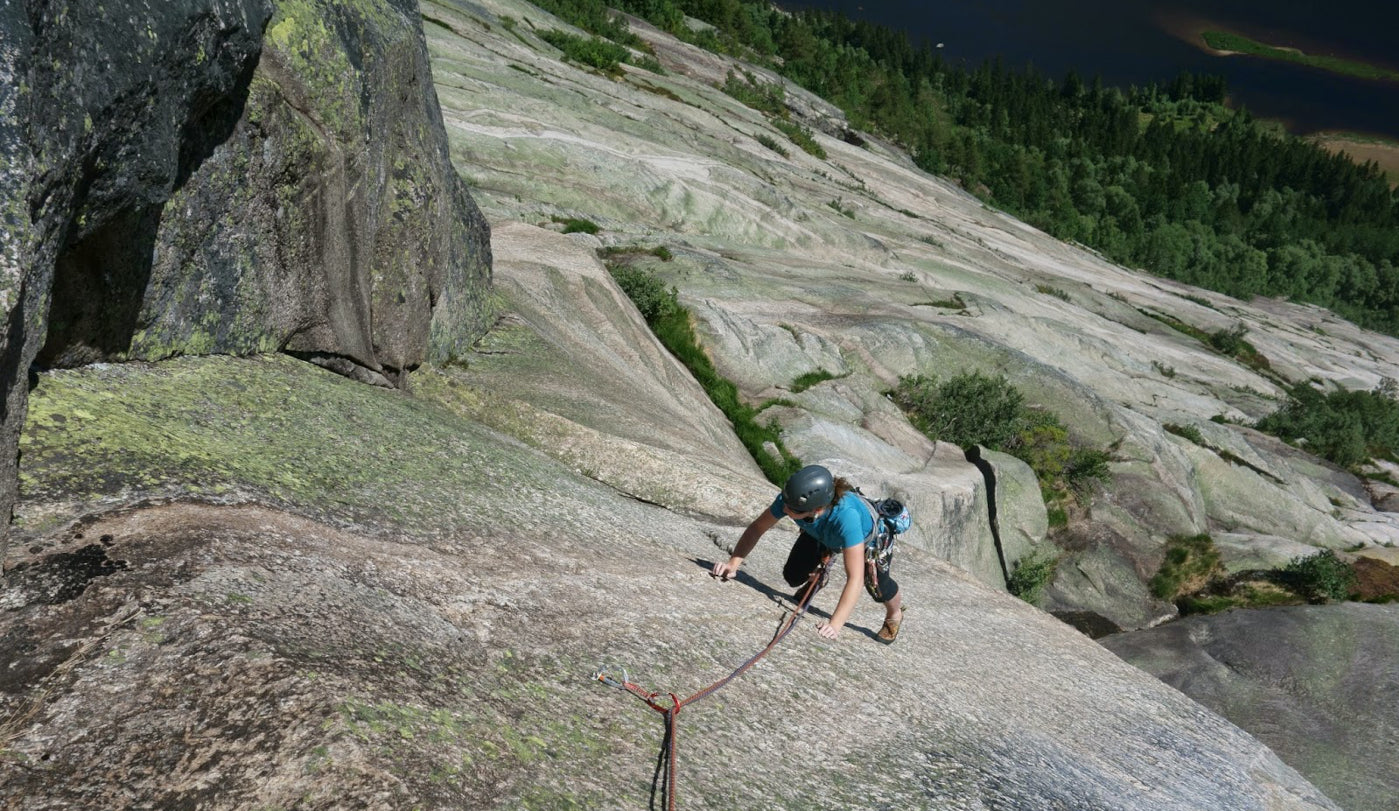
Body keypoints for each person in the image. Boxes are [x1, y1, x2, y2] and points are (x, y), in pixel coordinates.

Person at [712, 464, 904, 643]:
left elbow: (855, 578)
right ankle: (818, 578)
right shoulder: (792, 500)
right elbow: (757, 528)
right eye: (786, 504)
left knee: (877, 585)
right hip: (820, 530)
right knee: (793, 576)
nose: (785, 509)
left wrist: (834, 624)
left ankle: (895, 614)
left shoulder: (847, 519)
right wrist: (733, 564)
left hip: (867, 540)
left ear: (818, 508)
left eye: (792, 509)